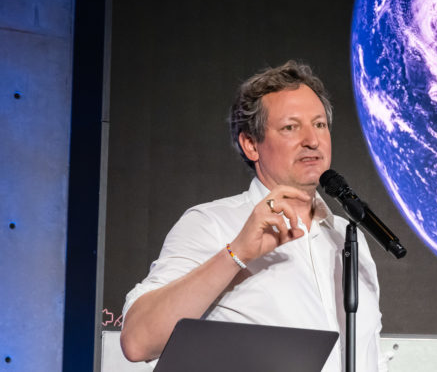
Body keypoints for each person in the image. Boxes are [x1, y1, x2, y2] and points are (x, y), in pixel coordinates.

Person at [120, 61, 386, 371]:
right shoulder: (212, 224)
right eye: (290, 127)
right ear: (250, 144)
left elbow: (370, 356)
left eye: (319, 124)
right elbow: (138, 341)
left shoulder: (348, 238)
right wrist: (237, 253)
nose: (312, 140)